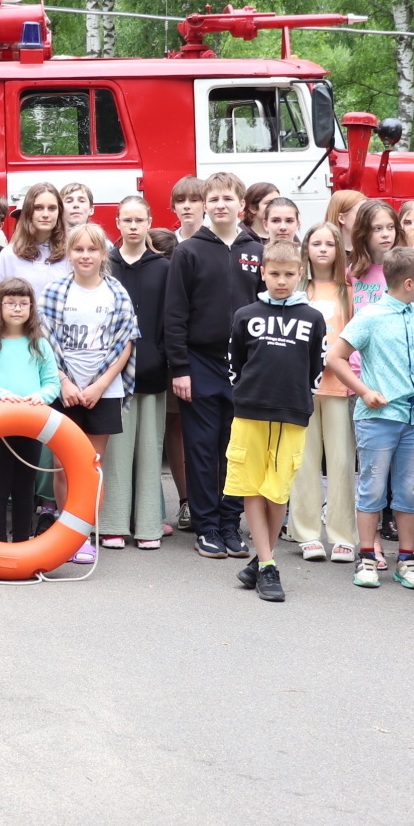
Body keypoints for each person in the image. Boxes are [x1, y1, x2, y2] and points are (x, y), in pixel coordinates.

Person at [165, 171, 266, 561]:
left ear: (242, 205)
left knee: (236, 449)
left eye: (228, 198)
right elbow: (174, 316)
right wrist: (180, 369)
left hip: (245, 366)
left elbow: (266, 308)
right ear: (205, 204)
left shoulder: (256, 250)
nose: (221, 205)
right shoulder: (189, 251)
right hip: (199, 363)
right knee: (203, 448)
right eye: (214, 198)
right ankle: (206, 527)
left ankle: (230, 523)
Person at [325, 245, 414, 591]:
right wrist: (364, 390)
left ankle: (406, 558)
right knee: (372, 487)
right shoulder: (370, 316)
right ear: (409, 282)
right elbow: (336, 357)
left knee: (408, 490)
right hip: (378, 418)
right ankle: (368, 556)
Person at [226, 241, 327, 602]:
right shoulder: (245, 314)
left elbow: (317, 366)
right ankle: (268, 565)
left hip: (292, 413)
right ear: (262, 273)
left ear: (300, 273)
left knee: (278, 488)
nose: (281, 281)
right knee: (252, 486)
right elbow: (234, 363)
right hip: (251, 411)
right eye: (274, 274)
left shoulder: (312, 317)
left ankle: (260, 559)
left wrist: (300, 400)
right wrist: (247, 394)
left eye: (288, 274)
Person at [40, 223, 138, 565]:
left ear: (103, 254)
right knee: (61, 466)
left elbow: (125, 343)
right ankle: (63, 534)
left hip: (103, 391)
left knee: (90, 468)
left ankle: (82, 535)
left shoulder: (116, 293)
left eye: (92, 250)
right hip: (63, 389)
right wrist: (64, 381)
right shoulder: (54, 292)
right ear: (69, 253)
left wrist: (98, 386)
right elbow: (44, 341)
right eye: (78, 249)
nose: (85, 256)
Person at [0, 279, 61, 543]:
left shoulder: (39, 344)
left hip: (31, 424)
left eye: (23, 304)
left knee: (25, 488)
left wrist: (38, 398)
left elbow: (52, 383)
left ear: (31, 308)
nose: (17, 309)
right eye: (11, 303)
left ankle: (21, 542)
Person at [287, 220, 357, 563]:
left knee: (342, 462)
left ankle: (343, 535)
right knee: (304, 462)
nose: (324, 249)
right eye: (317, 243)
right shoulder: (299, 290)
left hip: (339, 387)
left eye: (330, 244)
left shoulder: (349, 289)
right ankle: (306, 533)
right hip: (302, 385)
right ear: (307, 249)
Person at [104, 196, 168, 549]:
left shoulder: (163, 267)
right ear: (117, 223)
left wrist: (164, 359)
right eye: (126, 220)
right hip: (114, 375)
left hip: (153, 371)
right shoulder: (106, 266)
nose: (132, 226)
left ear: (148, 222)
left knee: (148, 451)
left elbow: (171, 319)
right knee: (117, 450)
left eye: (139, 220)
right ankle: (113, 523)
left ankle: (147, 526)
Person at [0, 183, 70, 293]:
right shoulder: (9, 255)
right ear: (28, 212)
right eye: (38, 208)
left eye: (52, 208)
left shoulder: (72, 254)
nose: (45, 214)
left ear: (59, 212)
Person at [170, 176, 208, 241]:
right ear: (174, 207)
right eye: (180, 200)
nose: (186, 206)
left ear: (206, 205)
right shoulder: (167, 245)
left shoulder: (219, 241)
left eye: (194, 200)